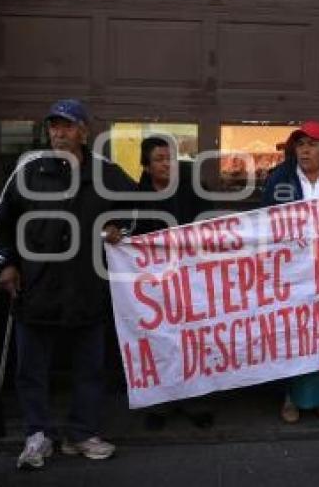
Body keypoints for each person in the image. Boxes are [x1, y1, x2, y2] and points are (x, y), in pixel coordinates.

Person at [0, 99, 136, 470]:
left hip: (89, 290)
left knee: (90, 370)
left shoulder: (107, 173)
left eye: (67, 126)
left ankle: (82, 433)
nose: (58, 133)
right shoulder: (28, 172)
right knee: (31, 370)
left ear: (84, 131)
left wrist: (122, 230)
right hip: (36, 290)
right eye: (54, 126)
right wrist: (5, 266)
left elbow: (137, 212)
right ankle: (38, 435)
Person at [261, 121, 319, 423]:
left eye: (313, 144)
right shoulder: (279, 179)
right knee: (294, 333)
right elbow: (265, 223)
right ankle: (290, 397)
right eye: (300, 144)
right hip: (294, 270)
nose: (305, 150)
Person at [135, 135, 214, 429]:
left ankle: (195, 401)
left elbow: (210, 222)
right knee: (159, 340)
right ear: (145, 164)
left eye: (170, 158)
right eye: (159, 159)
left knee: (193, 339)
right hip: (153, 284)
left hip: (190, 277)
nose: (167, 164)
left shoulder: (193, 186)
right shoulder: (135, 195)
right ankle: (161, 403)